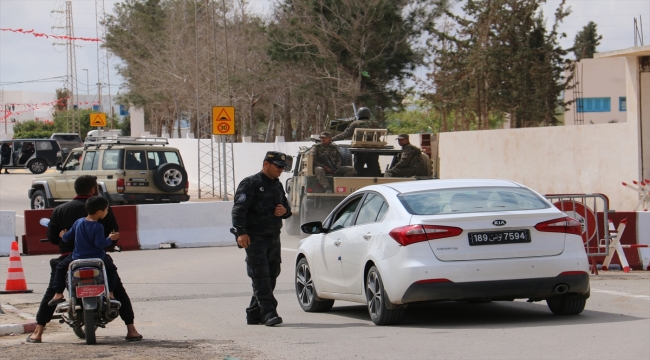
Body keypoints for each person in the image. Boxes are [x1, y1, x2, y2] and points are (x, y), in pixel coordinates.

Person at [27, 175, 142, 343]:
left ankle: (38, 332)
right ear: (93, 190)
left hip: (71, 259)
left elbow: (54, 237)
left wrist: (63, 237)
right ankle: (131, 329)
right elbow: (113, 236)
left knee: (52, 291)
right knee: (118, 289)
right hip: (98, 258)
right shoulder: (103, 209)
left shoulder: (61, 210)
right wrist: (110, 241)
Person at [232, 151, 292, 327]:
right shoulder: (251, 183)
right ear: (266, 164)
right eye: (278, 166)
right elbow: (238, 210)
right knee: (260, 275)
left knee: (272, 274)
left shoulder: (277, 185)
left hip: (273, 236)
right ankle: (269, 312)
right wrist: (240, 232)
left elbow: (286, 208)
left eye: (283, 167)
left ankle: (254, 313)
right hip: (255, 237)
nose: (281, 170)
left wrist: (285, 212)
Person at [48, 196, 120, 306]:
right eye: (106, 210)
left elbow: (67, 238)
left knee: (60, 267)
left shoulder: (78, 222)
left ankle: (58, 294)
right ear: (99, 212)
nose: (107, 212)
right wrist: (110, 238)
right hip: (97, 257)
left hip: (77, 257)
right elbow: (99, 244)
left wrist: (63, 234)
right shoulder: (98, 226)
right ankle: (110, 293)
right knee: (111, 270)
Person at [331, 107, 381, 176]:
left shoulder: (355, 123)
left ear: (359, 115)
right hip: (374, 149)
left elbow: (346, 134)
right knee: (374, 168)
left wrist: (332, 139)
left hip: (360, 149)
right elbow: (379, 134)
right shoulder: (375, 123)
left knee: (358, 168)